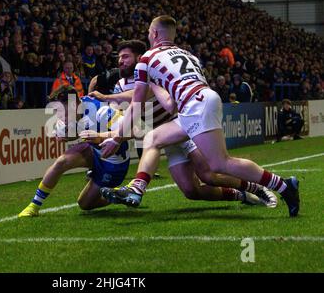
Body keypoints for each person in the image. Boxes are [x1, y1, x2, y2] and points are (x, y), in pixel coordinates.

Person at [100, 15, 299, 217]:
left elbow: (136, 103)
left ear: (154, 33)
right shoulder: (189, 55)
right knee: (154, 139)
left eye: (149, 32)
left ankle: (283, 185)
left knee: (219, 165)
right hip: (196, 103)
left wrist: (116, 138)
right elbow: (171, 105)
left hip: (195, 104)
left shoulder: (147, 59)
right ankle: (136, 188)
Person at [87, 40, 275, 206]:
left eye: (126, 57)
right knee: (191, 191)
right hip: (166, 136)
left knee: (208, 174)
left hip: (184, 125)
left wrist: (106, 97)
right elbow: (129, 119)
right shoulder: (120, 85)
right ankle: (239, 196)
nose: (120, 61)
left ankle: (257, 188)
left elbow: (142, 95)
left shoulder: (153, 73)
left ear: (139, 58)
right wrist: (106, 135)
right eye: (119, 57)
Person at [18, 85, 130, 217]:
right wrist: (68, 135)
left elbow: (133, 130)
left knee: (85, 204)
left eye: (61, 111)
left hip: (114, 161)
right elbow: (80, 131)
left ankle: (120, 193)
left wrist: (100, 136)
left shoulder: (102, 111)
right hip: (94, 151)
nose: (59, 116)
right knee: (61, 162)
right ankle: (33, 206)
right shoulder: (72, 114)